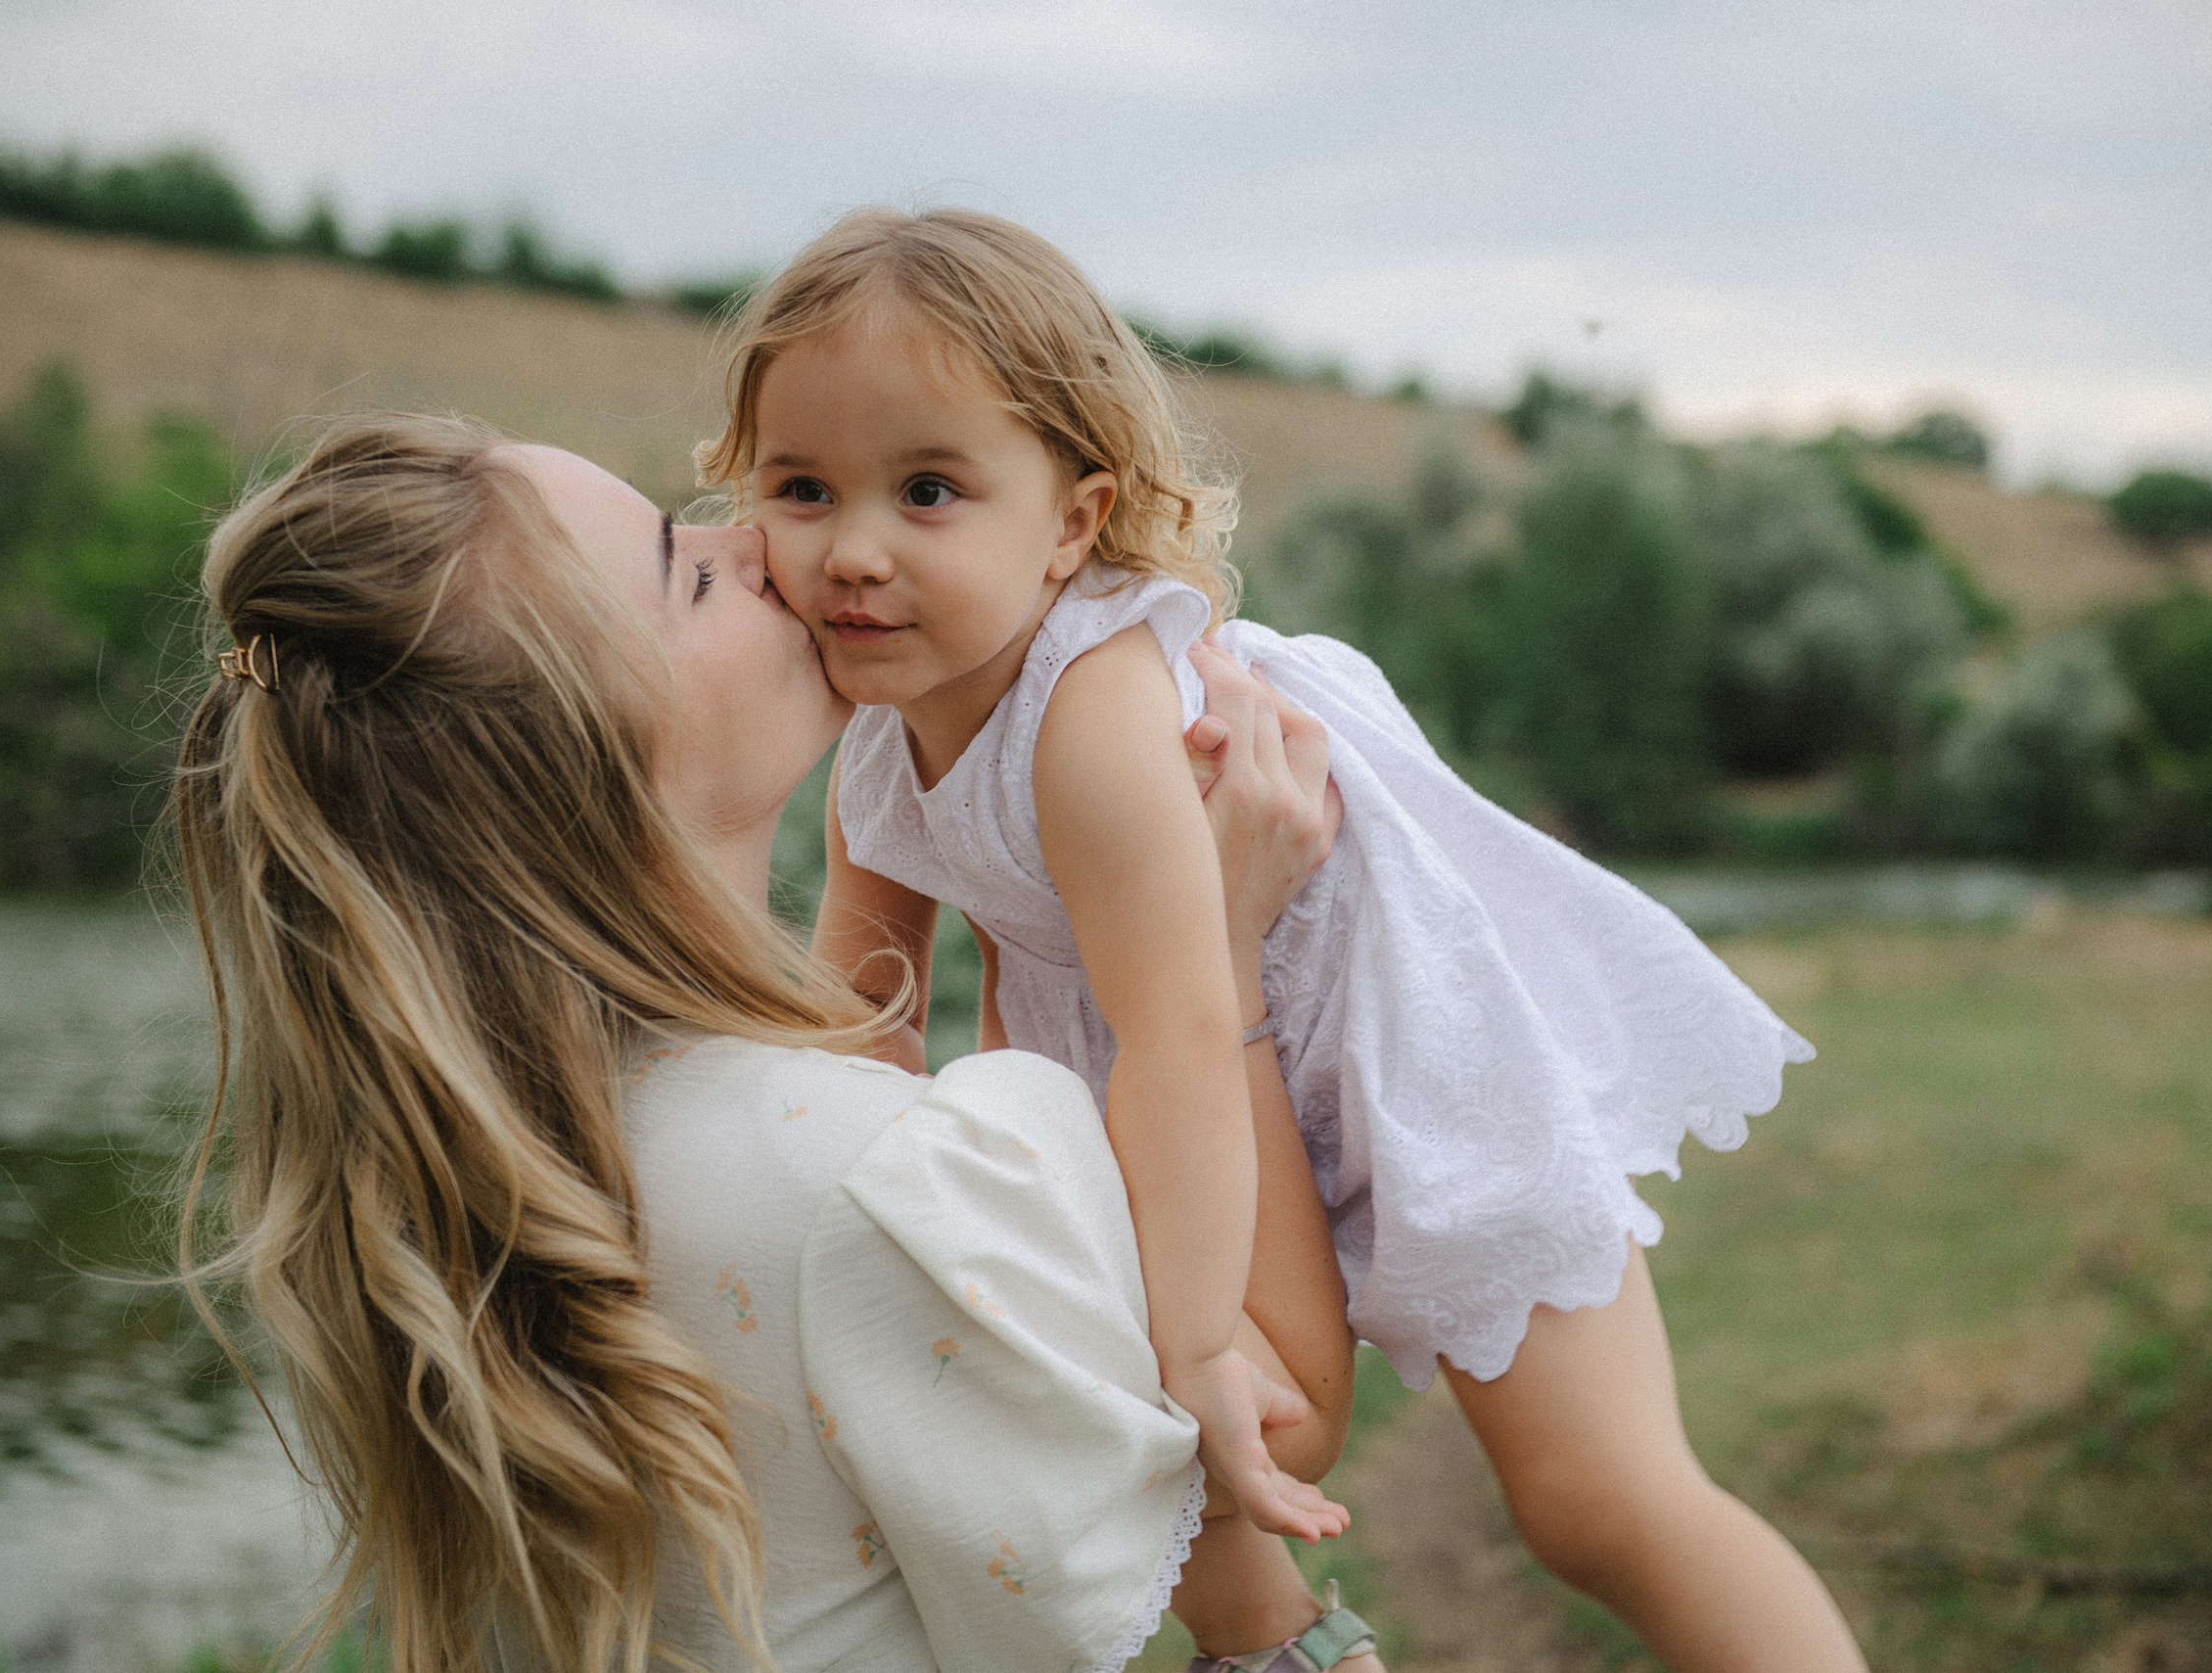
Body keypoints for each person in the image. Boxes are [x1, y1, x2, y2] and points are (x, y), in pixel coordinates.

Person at [700, 206, 1869, 1673]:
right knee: (1157, 1463)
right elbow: (860, 1011)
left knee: (1600, 1501)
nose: (854, 551)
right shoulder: (881, 730)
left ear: (1071, 520)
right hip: (1172, 1056)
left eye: (928, 490)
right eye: (804, 488)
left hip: (1388, 1041)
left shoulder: (1089, 710)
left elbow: (1190, 1021)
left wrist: (1195, 1335)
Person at [171, 413, 1359, 1673]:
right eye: (687, 567)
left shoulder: (465, 1173)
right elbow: (1292, 1420)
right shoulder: (878, 1180)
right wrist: (1218, 947)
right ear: (590, 759)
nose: (761, 544)